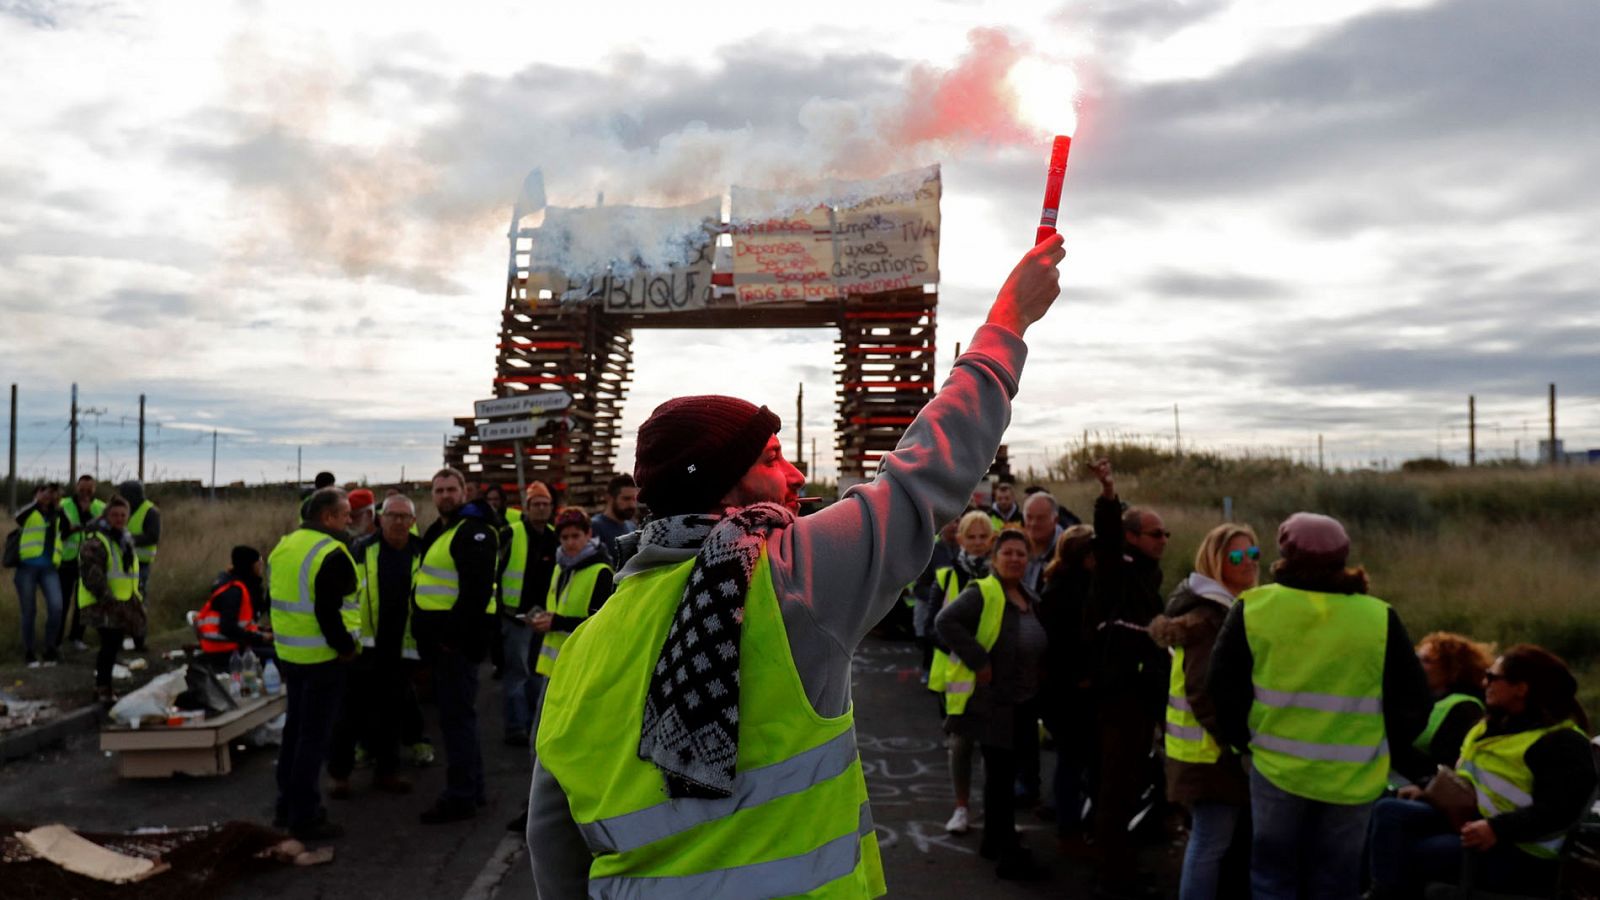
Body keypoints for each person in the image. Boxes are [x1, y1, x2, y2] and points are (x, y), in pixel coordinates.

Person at [528, 234, 1066, 899]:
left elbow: (551, 843)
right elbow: (923, 476)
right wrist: (1007, 324)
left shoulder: (582, 650)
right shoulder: (784, 578)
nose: (794, 474)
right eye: (770, 459)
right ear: (725, 490)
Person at [1209, 512, 1431, 900]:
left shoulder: (1254, 608)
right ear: (1342, 558)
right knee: (1337, 881)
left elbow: (1222, 688)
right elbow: (1414, 700)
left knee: (1273, 877)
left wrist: (1243, 743)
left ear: (1285, 554)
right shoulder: (1378, 616)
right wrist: (1380, 745)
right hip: (1353, 778)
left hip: (1276, 770)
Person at [1368, 645, 1596, 899]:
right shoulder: (1493, 726)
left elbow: (1559, 811)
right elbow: (1470, 779)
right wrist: (1427, 790)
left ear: (1521, 688)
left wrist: (1496, 828)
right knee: (1388, 811)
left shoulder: (1561, 742)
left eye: (1492, 677)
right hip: (1473, 819)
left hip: (1519, 849)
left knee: (1411, 851)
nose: (1484, 682)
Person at [1148, 523, 1259, 900]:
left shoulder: (1224, 608)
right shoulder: (1211, 618)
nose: (1250, 563)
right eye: (1238, 557)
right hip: (1210, 755)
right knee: (1210, 843)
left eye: (1254, 554)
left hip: (1201, 752)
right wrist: (1235, 742)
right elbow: (1202, 689)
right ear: (1216, 563)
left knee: (1212, 841)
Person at [936, 528, 1049, 880]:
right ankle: (1007, 852)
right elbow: (945, 621)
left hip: (1024, 701)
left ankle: (992, 841)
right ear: (995, 559)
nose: (1015, 558)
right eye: (1008, 553)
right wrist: (979, 660)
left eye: (1021, 553)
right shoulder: (983, 591)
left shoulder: (1029, 596)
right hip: (996, 703)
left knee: (1005, 774)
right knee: (1000, 778)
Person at [1082, 459, 1170, 899]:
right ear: (1132, 537)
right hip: (1120, 696)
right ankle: (1113, 877)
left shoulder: (1148, 577)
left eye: (1166, 533)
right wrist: (1109, 493)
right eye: (1156, 533)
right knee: (1116, 787)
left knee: (1130, 783)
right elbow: (1107, 534)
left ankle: (1123, 866)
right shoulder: (1116, 569)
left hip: (1143, 694)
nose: (1164, 540)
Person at [268, 487, 360, 842]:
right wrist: (346, 648)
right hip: (323, 658)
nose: (349, 520)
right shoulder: (332, 552)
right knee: (312, 739)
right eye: (345, 514)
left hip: (291, 655)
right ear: (328, 517)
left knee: (294, 733)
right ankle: (305, 815)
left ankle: (285, 805)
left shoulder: (284, 545)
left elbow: (274, 599)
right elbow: (328, 611)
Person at [414, 467, 500, 824]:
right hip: (443, 645)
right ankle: (472, 790)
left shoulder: (474, 532)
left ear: (465, 492)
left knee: (456, 721)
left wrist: (450, 639)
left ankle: (460, 796)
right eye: (439, 490)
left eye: (451, 489)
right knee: (459, 718)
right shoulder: (442, 530)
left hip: (456, 647)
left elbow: (475, 594)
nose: (445, 495)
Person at [328, 494, 420, 798]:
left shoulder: (422, 553)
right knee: (349, 714)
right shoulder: (360, 551)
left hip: (402, 648)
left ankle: (387, 772)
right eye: (391, 515)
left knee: (391, 715)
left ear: (413, 522)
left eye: (403, 516)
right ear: (380, 519)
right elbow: (342, 598)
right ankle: (340, 776)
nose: (397, 521)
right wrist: (347, 640)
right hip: (364, 649)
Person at [927, 510, 994, 835]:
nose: (979, 543)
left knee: (994, 748)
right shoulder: (947, 576)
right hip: (957, 676)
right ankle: (962, 807)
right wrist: (969, 653)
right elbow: (932, 627)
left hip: (993, 676)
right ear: (960, 539)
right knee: (961, 746)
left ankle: (995, 813)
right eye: (973, 537)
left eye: (984, 537)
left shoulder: (1001, 575)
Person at [1038, 523, 1095, 849]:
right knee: (1072, 759)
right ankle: (1068, 825)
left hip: (1061, 689)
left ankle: (1064, 814)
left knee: (1070, 758)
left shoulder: (1059, 583)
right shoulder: (1069, 590)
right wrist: (1081, 677)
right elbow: (1063, 644)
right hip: (1069, 691)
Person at [1390, 631, 1494, 786]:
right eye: (1416, 658)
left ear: (1453, 669)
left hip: (1423, 790)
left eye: (1426, 660)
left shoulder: (1465, 708)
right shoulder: (1414, 698)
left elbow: (1447, 767)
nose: (1415, 665)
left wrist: (1395, 747)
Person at [499, 481, 559, 747]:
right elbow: (496, 573)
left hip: (543, 619)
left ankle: (535, 725)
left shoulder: (555, 536)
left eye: (545, 505)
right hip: (515, 618)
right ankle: (515, 727)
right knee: (517, 673)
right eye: (536, 504)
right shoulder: (511, 533)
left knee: (537, 673)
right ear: (526, 507)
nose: (541, 509)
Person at [531, 508, 615, 678]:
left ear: (589, 534)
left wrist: (557, 622)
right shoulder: (559, 567)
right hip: (556, 666)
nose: (570, 542)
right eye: (564, 537)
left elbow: (604, 625)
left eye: (576, 536)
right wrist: (546, 619)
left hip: (583, 665)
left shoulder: (602, 572)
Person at [75, 495, 141, 703]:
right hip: (100, 602)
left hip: (120, 601)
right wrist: (107, 598)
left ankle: (105, 687)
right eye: (115, 515)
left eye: (123, 515)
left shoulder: (123, 539)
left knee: (113, 645)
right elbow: (92, 575)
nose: (119, 519)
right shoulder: (96, 540)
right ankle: (102, 688)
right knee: (109, 644)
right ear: (106, 516)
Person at [12, 483, 64, 666]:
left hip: (49, 567)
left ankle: (50, 648)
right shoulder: (29, 511)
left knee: (56, 607)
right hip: (27, 566)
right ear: (36, 494)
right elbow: (18, 517)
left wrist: (57, 504)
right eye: (43, 491)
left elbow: (68, 528)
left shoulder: (57, 512)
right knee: (29, 611)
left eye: (50, 492)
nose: (47, 495)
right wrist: (37, 502)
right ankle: (29, 652)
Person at [196, 546, 271, 669]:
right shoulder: (234, 591)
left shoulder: (237, 583)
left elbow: (243, 622)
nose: (261, 566)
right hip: (224, 649)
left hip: (230, 644)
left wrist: (261, 631)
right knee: (278, 656)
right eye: (258, 562)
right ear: (250, 566)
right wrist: (261, 637)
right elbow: (228, 628)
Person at [57, 474, 104, 653]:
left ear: (94, 490)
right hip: (66, 560)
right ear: (76, 487)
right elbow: (59, 531)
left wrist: (88, 513)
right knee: (62, 602)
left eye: (89, 490)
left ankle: (77, 637)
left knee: (82, 602)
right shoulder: (64, 504)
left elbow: (102, 529)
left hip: (89, 561)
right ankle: (57, 639)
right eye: (82, 489)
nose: (85, 493)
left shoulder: (100, 507)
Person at [912, 516, 961, 680]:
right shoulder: (931, 549)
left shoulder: (966, 549)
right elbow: (919, 587)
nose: (955, 525)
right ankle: (928, 670)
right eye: (951, 521)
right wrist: (939, 597)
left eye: (958, 521)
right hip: (936, 611)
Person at [118, 480, 159, 651]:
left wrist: (128, 540)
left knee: (138, 602)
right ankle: (118, 639)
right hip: (120, 563)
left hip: (140, 564)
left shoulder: (150, 511)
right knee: (119, 601)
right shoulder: (121, 510)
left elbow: (152, 536)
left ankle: (139, 641)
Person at [588, 473, 638, 557]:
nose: (632, 505)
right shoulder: (595, 527)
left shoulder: (632, 527)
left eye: (634, 499)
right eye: (626, 499)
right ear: (609, 498)